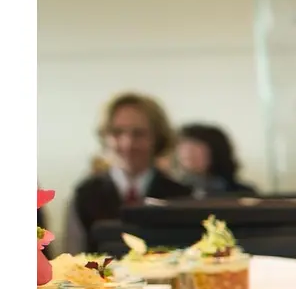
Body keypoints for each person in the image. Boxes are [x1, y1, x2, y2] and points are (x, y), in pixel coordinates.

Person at [70, 92, 191, 237]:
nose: (127, 144)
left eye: (139, 134)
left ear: (157, 138)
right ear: (105, 137)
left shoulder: (180, 195)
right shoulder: (85, 194)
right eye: (117, 132)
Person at [175, 123, 259, 198]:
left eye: (195, 148)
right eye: (182, 146)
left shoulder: (242, 194)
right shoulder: (173, 191)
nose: (187, 152)